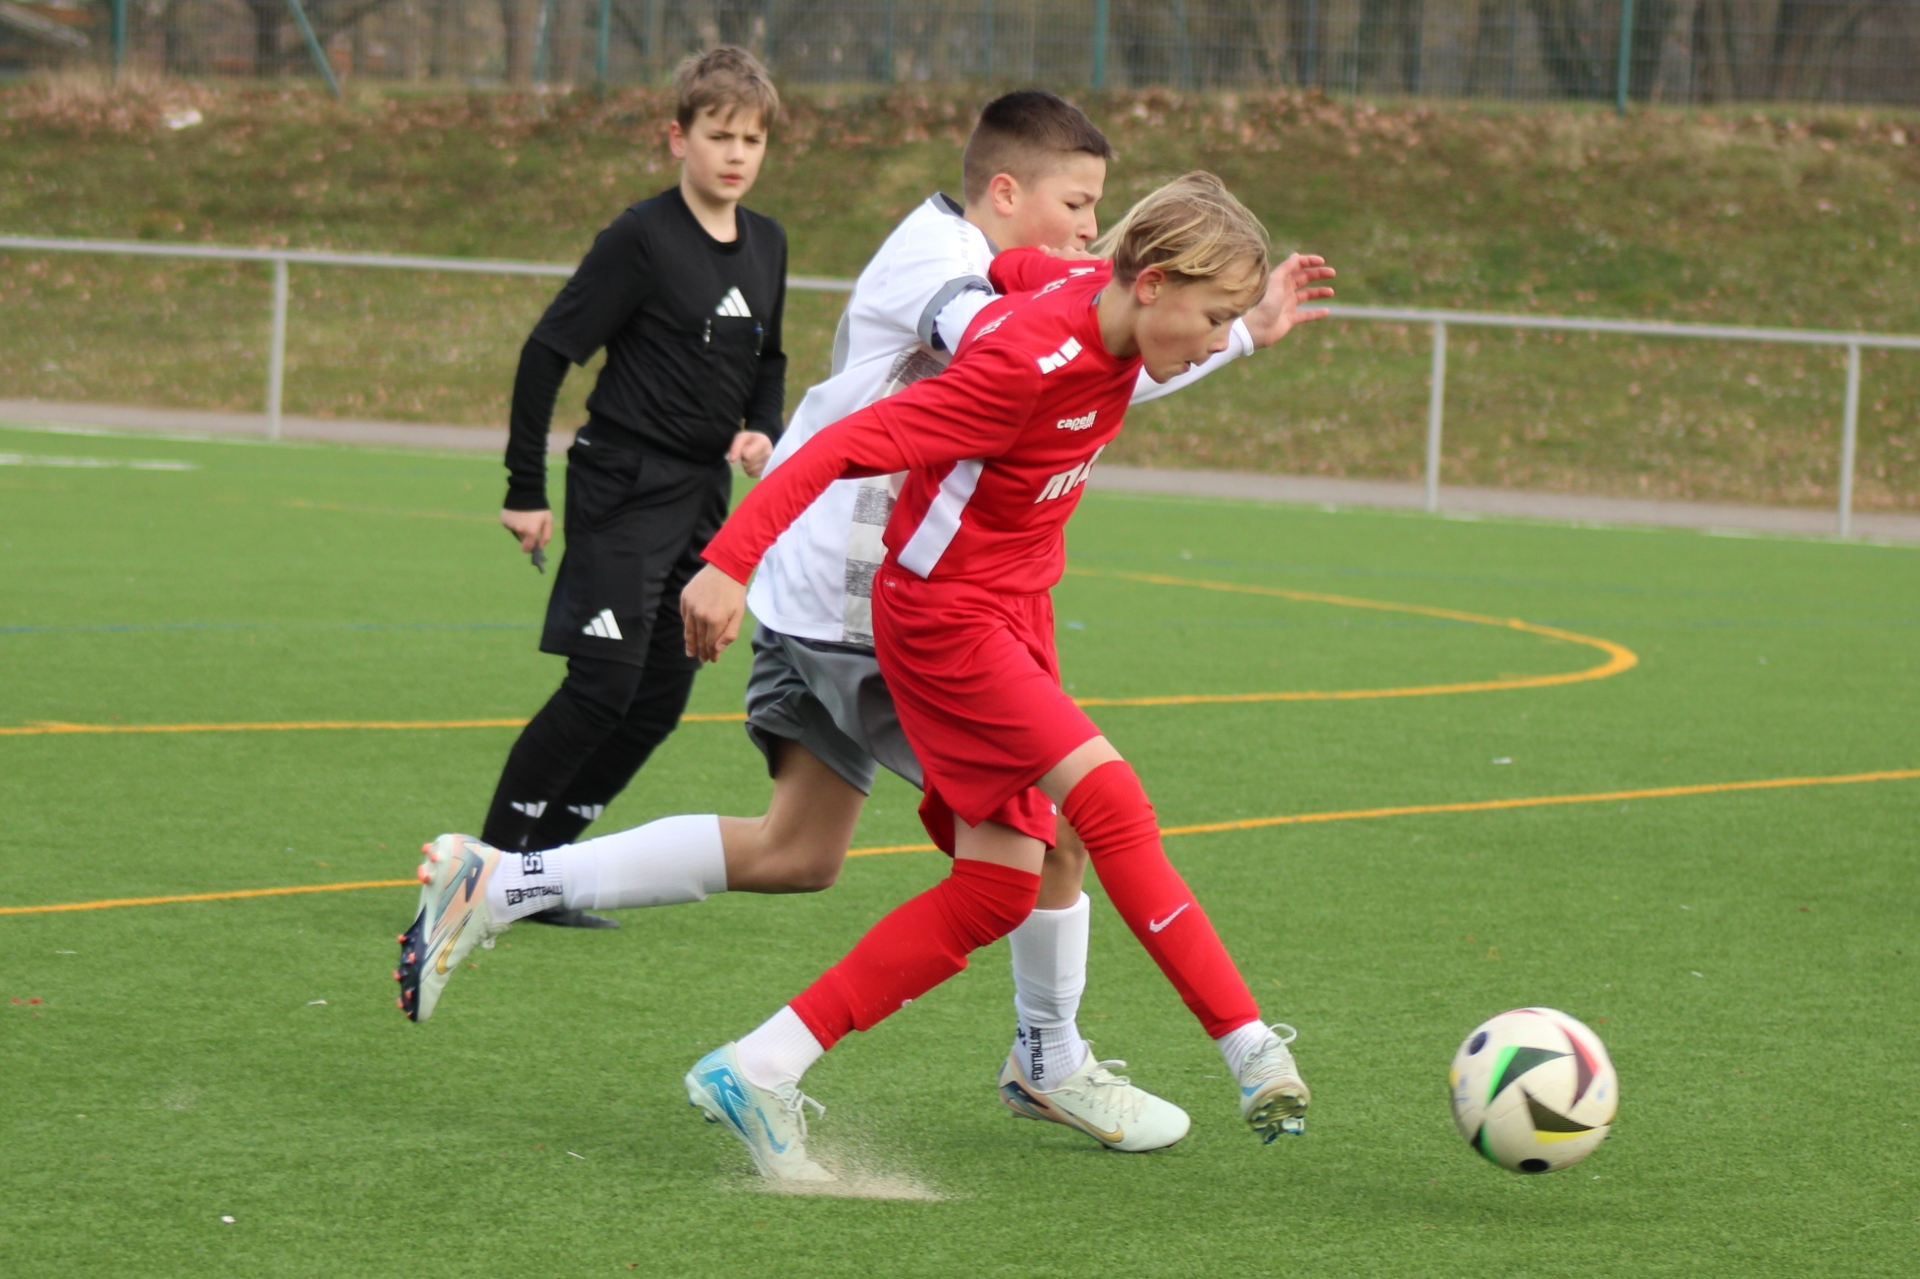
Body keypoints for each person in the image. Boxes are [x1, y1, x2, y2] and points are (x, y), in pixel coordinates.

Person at [396, 96, 1335, 1161]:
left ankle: (524, 892)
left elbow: (1086, 349)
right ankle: (1111, 1052)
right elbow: (978, 374)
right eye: (1079, 205)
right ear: (1008, 190)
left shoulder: (1060, 290)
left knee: (829, 851)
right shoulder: (959, 284)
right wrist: (729, 559)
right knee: (1061, 829)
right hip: (878, 602)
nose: (1090, 231)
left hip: (898, 592)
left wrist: (1237, 330)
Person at [664, 173, 1314, 1181]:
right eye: (1213, 317)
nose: (1215, 339)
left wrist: (1246, 330)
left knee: (1000, 884)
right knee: (1109, 801)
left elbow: (1013, 264)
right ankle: (1249, 1045)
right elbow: (844, 445)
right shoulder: (1021, 369)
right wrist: (729, 560)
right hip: (947, 620)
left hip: (1015, 607)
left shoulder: (1083, 288)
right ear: (1151, 283)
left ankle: (759, 1066)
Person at [474, 46, 787, 929]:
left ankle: (543, 879)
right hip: (620, 484)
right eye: (719, 135)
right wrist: (524, 488)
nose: (735, 154)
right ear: (678, 138)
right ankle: (485, 872)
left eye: (751, 140)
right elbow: (547, 352)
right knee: (600, 689)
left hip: (702, 498)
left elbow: (768, 357)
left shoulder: (768, 242)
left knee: (655, 703)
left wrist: (762, 426)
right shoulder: (641, 237)